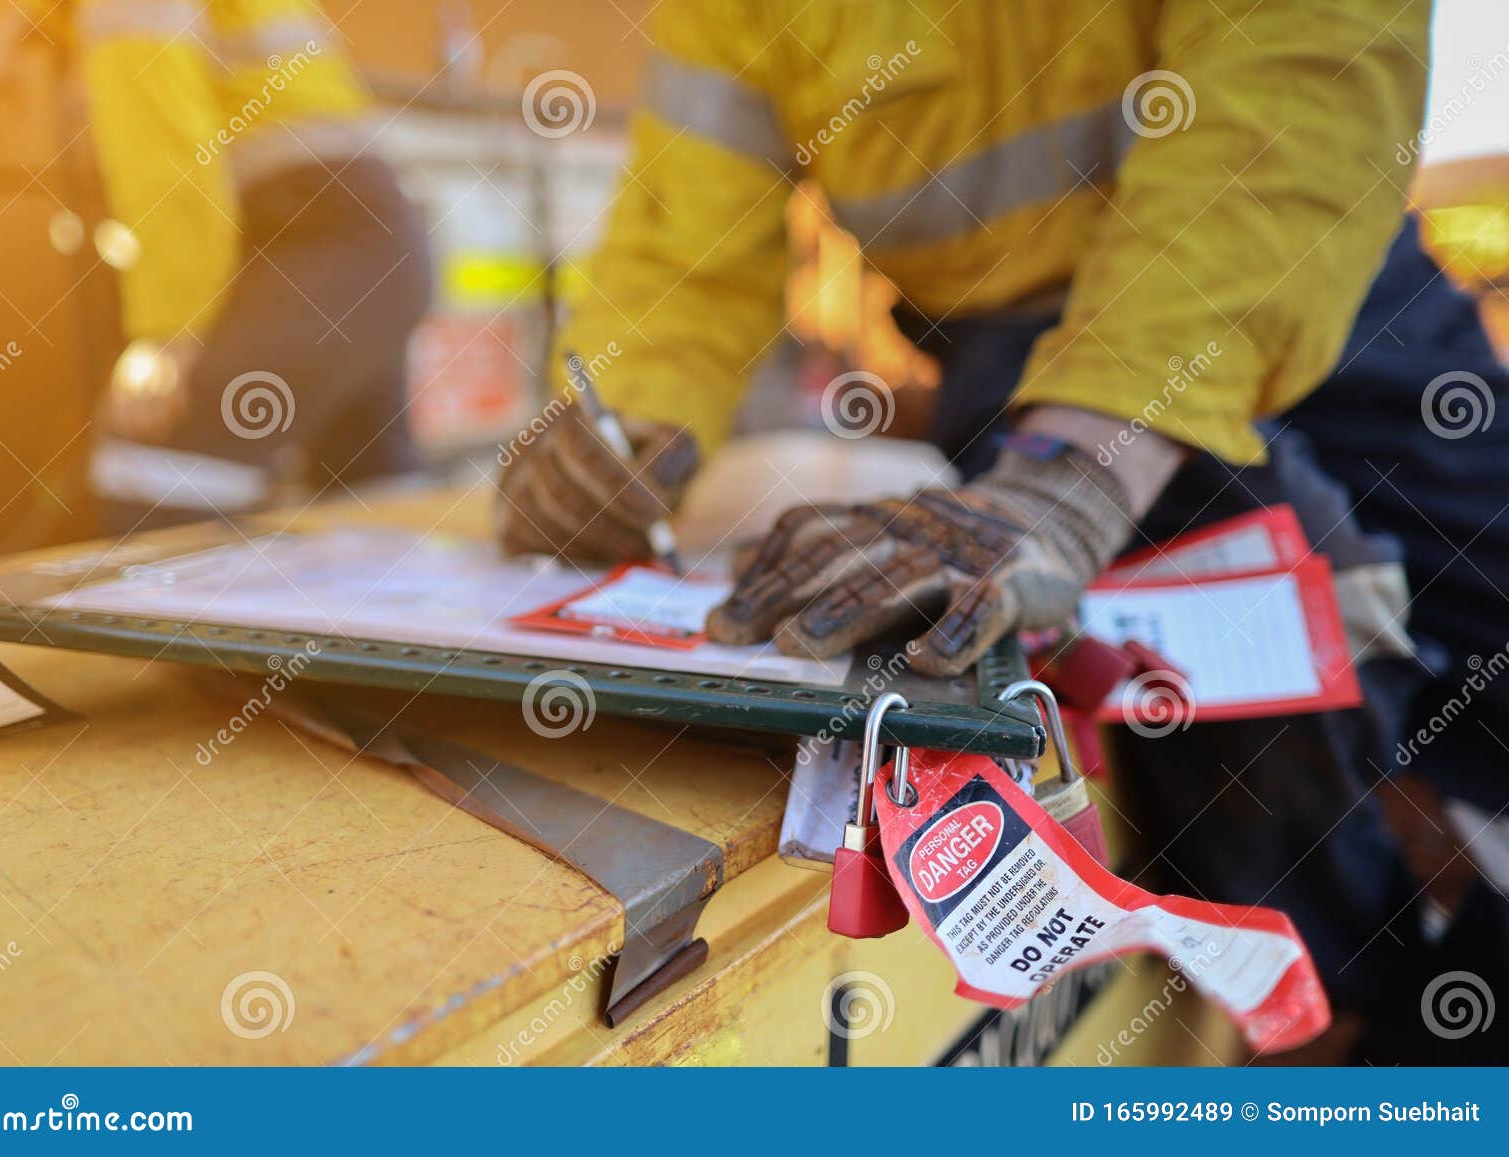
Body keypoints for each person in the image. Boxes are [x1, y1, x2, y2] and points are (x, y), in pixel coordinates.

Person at [497, 2, 1509, 1060]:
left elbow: (1304, 72)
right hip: (1012, 351)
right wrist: (625, 427)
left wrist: (1082, 469)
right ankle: (1343, 1021)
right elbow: (681, 254)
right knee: (1235, 619)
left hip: (1303, 245)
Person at [39, 0, 432, 526]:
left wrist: (165, 335)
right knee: (370, 501)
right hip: (373, 249)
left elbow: (171, 171)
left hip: (317, 239)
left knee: (153, 464)